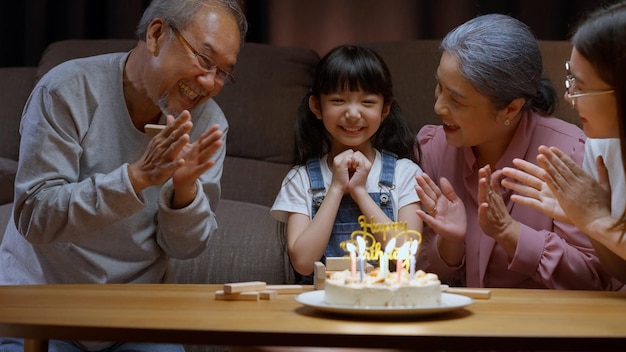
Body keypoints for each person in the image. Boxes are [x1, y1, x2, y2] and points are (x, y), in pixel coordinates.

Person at [0, 0, 247, 351]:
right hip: (43, 309)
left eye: (224, 72)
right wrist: (135, 179)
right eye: (204, 60)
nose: (210, 83)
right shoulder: (67, 89)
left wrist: (184, 191)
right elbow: (34, 216)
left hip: (136, 318)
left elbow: (186, 247)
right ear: (156, 35)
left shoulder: (209, 123)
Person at [413, 13, 622, 290]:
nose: (439, 107)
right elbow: (411, 273)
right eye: (439, 87)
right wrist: (450, 244)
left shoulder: (570, 154)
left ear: (510, 108)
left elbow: (595, 282)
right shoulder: (432, 148)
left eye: (456, 100)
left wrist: (512, 235)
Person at [270, 45, 423, 284]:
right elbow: (302, 262)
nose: (353, 113)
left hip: (389, 304)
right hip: (321, 303)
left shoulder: (406, 173)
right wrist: (336, 188)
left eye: (367, 102)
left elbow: (405, 255)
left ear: (385, 109)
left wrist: (360, 192)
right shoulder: (300, 179)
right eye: (339, 100)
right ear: (317, 107)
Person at [501, 1, 626, 284]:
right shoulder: (601, 147)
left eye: (580, 87)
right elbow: (621, 272)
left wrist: (598, 221)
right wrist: (591, 223)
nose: (569, 97)